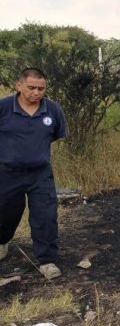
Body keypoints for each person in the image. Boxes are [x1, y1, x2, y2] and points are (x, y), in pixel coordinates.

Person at [0, 67, 67, 280]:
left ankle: (47, 260)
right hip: (7, 174)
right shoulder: (3, 108)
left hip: (40, 174)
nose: (36, 92)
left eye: (41, 88)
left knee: (45, 216)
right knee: (5, 214)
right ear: (19, 85)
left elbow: (55, 134)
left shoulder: (52, 110)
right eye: (31, 87)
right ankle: (2, 242)